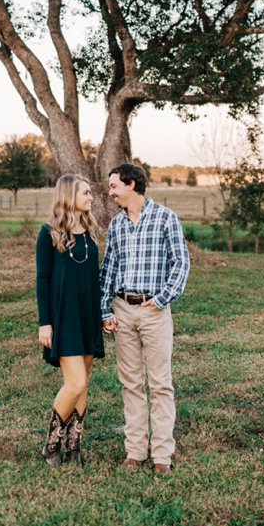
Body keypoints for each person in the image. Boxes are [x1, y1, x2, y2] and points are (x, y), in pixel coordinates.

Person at [100, 162, 190, 473]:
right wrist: (104, 310)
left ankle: (162, 455)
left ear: (132, 185)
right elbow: (109, 270)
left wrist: (162, 298)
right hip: (123, 311)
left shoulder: (166, 218)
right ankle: (135, 451)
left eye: (114, 186)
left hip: (154, 311)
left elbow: (181, 263)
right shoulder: (117, 225)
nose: (110, 192)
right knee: (130, 384)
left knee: (161, 384)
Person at [35, 174, 104, 467]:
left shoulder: (89, 232)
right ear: (69, 196)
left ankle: (74, 447)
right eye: (86, 193)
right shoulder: (49, 232)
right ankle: (51, 446)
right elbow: (43, 279)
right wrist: (45, 322)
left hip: (88, 314)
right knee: (74, 383)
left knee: (83, 384)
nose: (91, 197)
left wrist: (103, 314)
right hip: (64, 316)